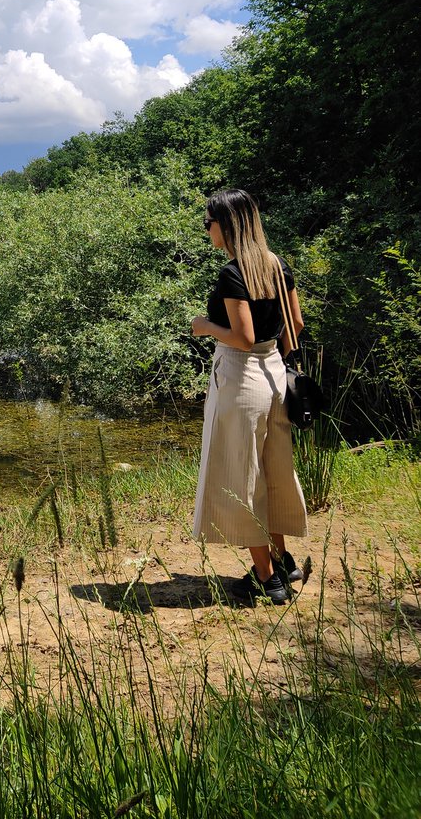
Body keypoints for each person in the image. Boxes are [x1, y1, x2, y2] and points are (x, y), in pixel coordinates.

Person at [190, 188, 308, 604]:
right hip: (275, 375)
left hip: (241, 380)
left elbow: (242, 337)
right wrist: (275, 361)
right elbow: (294, 325)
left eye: (209, 223)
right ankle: (282, 560)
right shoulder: (278, 266)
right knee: (272, 472)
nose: (207, 230)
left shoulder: (232, 273)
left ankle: (267, 576)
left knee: (239, 477)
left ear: (227, 225)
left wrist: (204, 326)